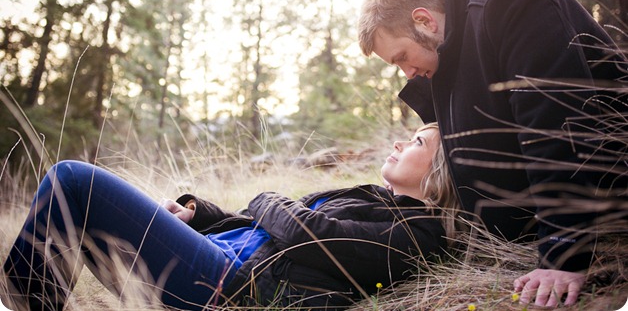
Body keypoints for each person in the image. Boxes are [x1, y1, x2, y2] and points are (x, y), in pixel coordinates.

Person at [358, 0, 628, 308]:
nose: (407, 72)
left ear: (424, 21)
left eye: (402, 58)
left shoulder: (511, 2)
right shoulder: (449, 52)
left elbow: (556, 129)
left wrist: (563, 254)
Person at [2, 123, 459, 311]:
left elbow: (306, 237)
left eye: (418, 143)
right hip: (218, 256)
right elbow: (264, 224)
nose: (400, 143)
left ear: (439, 175)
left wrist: (267, 197)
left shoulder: (420, 235)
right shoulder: (372, 198)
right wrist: (197, 214)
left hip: (233, 289)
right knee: (74, 209)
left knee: (75, 183)